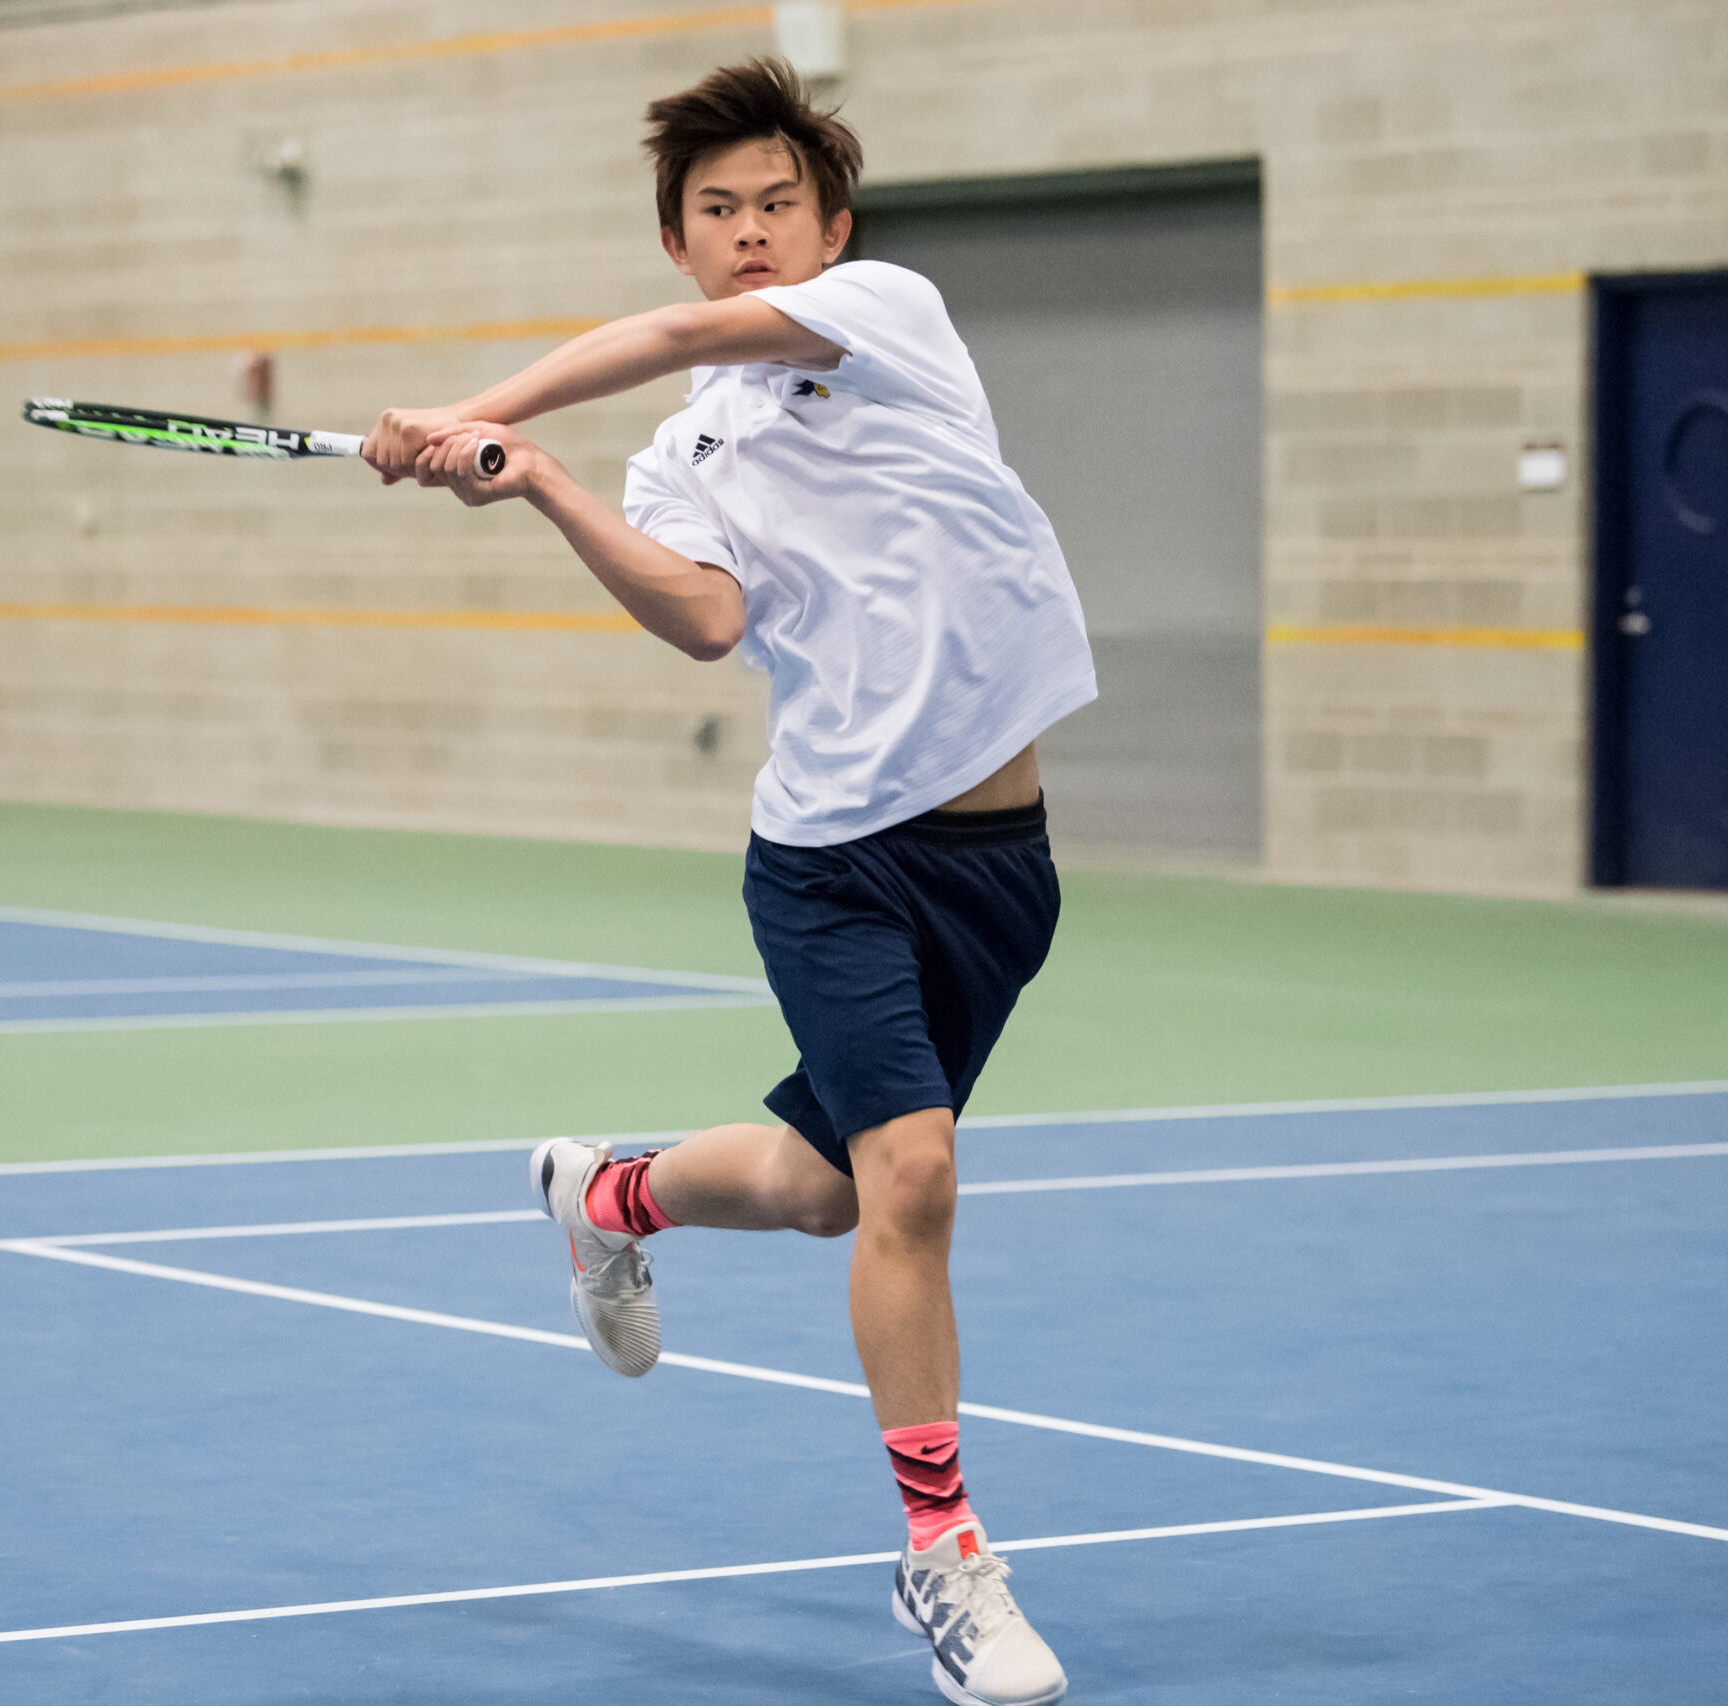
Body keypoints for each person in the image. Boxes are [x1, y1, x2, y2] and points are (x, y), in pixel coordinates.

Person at [364, 57, 1092, 1706]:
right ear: (679, 239)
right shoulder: (685, 459)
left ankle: (609, 1197)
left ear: (832, 227)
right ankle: (944, 1556)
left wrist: (491, 407)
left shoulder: (889, 314)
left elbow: (677, 342)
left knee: (837, 1189)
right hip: (828, 861)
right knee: (909, 1175)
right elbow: (706, 620)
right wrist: (541, 479)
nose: (751, 232)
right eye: (716, 212)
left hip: (1000, 865)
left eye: (777, 202)